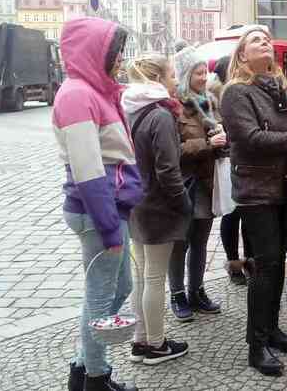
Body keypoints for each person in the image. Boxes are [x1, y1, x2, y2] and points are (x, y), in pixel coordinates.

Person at [55, 17, 141, 391]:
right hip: (98, 212)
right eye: (114, 51)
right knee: (101, 297)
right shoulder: (77, 95)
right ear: (94, 52)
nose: (120, 57)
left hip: (108, 208)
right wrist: (108, 227)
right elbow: (88, 170)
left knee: (117, 289)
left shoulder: (93, 91)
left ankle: (82, 369)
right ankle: (95, 378)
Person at [221, 27, 287, 376]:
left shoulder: (278, 88)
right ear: (242, 54)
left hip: (283, 185)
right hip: (255, 189)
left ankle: (271, 328)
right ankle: (256, 345)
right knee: (265, 264)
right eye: (256, 40)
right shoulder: (236, 92)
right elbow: (248, 137)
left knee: (277, 262)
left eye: (268, 40)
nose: (266, 43)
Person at [122, 55, 191, 366]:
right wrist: (183, 202)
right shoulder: (160, 115)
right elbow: (168, 170)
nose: (175, 81)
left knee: (142, 276)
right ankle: (156, 344)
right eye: (172, 75)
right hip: (157, 206)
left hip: (135, 202)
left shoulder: (130, 109)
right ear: (158, 79)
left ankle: (140, 341)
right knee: (153, 277)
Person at [167, 46, 224, 321]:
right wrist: (207, 144)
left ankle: (197, 291)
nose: (203, 77)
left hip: (207, 183)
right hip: (184, 184)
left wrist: (224, 139)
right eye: (197, 72)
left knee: (201, 241)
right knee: (180, 243)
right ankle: (177, 294)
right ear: (185, 75)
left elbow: (222, 138)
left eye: (205, 71)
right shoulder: (173, 106)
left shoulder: (211, 101)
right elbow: (172, 150)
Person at [214, 56, 251, 286]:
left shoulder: (245, 91)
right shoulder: (218, 97)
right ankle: (234, 263)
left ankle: (250, 260)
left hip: (245, 160)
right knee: (231, 214)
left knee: (247, 214)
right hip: (228, 161)